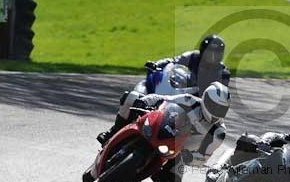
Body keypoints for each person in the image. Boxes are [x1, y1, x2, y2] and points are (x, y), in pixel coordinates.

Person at [98, 34, 231, 145]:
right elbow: (173, 61)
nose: (212, 57)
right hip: (176, 90)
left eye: (216, 54)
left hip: (193, 104)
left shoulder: (222, 72)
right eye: (209, 52)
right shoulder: (192, 57)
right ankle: (113, 131)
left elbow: (218, 93)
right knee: (131, 97)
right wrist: (157, 64)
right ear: (203, 50)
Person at [124, 82, 230, 182]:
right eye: (214, 106)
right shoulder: (189, 101)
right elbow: (163, 99)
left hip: (176, 153)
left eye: (222, 109)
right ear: (205, 99)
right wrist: (145, 101)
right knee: (132, 96)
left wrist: (189, 157)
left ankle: (150, 170)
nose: (217, 111)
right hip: (160, 129)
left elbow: (203, 157)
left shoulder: (218, 131)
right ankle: (113, 131)